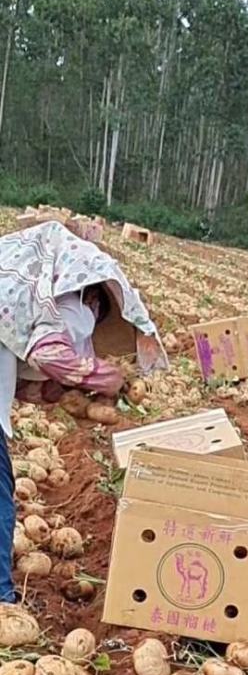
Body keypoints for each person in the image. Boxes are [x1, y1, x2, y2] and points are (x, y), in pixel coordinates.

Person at [0, 220, 166, 602]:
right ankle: (3, 598)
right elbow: (47, 352)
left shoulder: (20, 292)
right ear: (93, 299)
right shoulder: (70, 307)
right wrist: (102, 377)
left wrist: (55, 392)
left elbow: (19, 377)